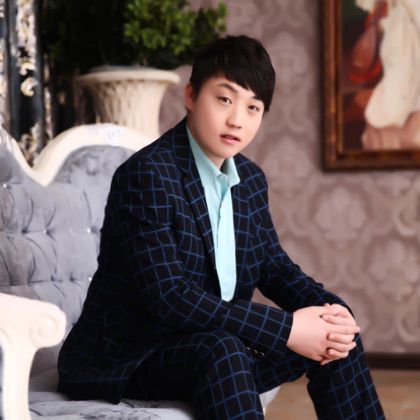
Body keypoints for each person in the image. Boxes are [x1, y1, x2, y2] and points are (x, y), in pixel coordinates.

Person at [57, 35, 384, 419]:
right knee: (223, 350)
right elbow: (170, 298)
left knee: (338, 335)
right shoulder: (148, 174)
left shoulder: (250, 179)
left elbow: (275, 269)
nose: (237, 120)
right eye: (225, 99)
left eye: (253, 107)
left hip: (210, 343)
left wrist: (333, 311)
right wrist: (287, 328)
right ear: (191, 96)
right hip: (131, 356)